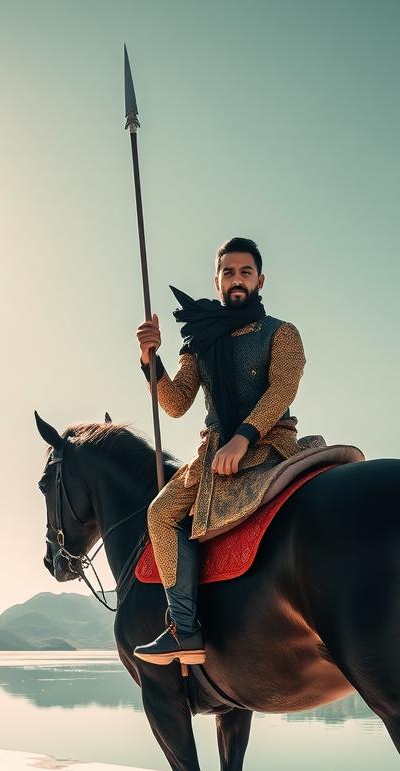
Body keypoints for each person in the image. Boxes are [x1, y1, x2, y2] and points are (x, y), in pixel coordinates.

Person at [133, 236, 307, 666]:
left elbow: (282, 388)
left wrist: (243, 437)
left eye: (245, 271)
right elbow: (176, 404)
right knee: (160, 512)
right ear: (216, 280)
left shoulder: (281, 333)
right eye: (228, 272)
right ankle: (185, 630)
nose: (236, 279)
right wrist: (149, 359)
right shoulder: (198, 340)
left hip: (267, 441)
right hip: (212, 454)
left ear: (260, 280)